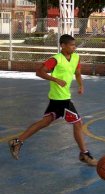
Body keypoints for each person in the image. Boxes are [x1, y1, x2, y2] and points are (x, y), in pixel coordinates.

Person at [7, 34, 97, 166]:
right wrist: (55, 79)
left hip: (59, 98)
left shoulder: (76, 57)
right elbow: (39, 72)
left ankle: (17, 141)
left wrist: (81, 85)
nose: (74, 47)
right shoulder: (56, 59)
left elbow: (77, 73)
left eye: (74, 45)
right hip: (61, 99)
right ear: (63, 46)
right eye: (71, 45)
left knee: (44, 122)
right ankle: (84, 154)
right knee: (78, 123)